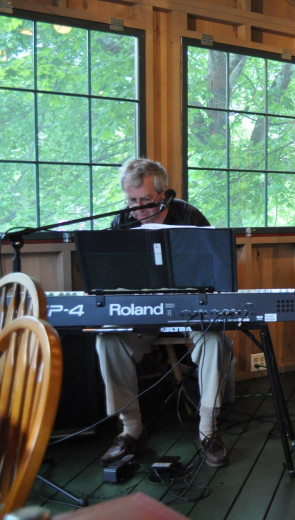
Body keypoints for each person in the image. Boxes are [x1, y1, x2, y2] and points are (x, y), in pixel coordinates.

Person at [96, 158, 231, 467]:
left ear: (163, 195)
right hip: (141, 313)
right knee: (107, 340)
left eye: (145, 201)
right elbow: (110, 274)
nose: (138, 208)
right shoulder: (122, 222)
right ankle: (131, 428)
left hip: (190, 310)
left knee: (214, 343)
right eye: (131, 201)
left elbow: (214, 266)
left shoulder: (189, 215)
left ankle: (208, 429)